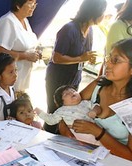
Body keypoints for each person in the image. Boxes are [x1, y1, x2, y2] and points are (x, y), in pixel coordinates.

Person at [71, 37, 132, 163]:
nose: (108, 63)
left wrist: (97, 131)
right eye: (109, 58)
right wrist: (66, 134)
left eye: (115, 60)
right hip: (83, 156)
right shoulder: (98, 86)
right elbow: (67, 108)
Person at [45, 0, 107, 133]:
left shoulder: (89, 31)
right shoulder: (69, 29)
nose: (103, 16)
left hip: (74, 77)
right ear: (93, 13)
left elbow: (84, 55)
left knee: (71, 112)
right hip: (58, 78)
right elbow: (56, 57)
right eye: (102, 13)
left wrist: (88, 59)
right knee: (54, 113)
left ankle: (65, 139)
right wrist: (81, 58)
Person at [0, 0, 39, 92]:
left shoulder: (25, 20)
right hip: (10, 83)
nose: (33, 7)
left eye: (35, 4)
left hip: (23, 80)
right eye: (30, 4)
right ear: (18, 5)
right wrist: (25, 56)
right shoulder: (7, 21)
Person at [35, 85, 101, 144]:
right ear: (62, 102)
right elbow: (51, 120)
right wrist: (40, 112)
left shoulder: (85, 103)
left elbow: (97, 106)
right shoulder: (61, 111)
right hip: (77, 134)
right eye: (66, 94)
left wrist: (94, 111)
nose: (71, 93)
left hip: (93, 130)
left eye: (73, 91)